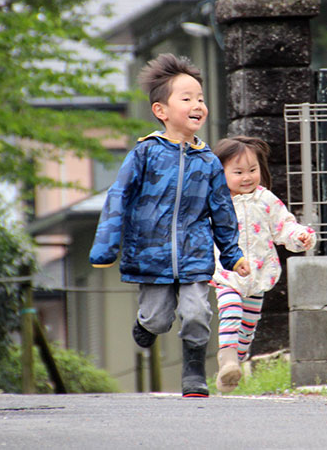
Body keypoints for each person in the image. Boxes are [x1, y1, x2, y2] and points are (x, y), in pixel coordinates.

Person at [89, 53, 247, 398]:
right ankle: (145, 323)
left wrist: (232, 254)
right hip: (150, 255)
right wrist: (106, 247)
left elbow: (222, 210)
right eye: (187, 98)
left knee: (197, 312)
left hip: (194, 254)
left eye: (201, 99)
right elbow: (118, 196)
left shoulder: (208, 161)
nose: (198, 105)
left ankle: (194, 373)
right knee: (159, 319)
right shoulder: (144, 154)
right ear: (161, 111)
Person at [210, 136, 316, 392]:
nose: (247, 177)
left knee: (247, 331)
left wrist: (299, 236)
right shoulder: (214, 202)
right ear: (219, 173)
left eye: (252, 170)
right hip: (227, 274)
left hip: (258, 276)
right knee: (231, 311)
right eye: (238, 172)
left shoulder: (266, 199)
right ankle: (226, 360)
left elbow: (284, 225)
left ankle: (233, 369)